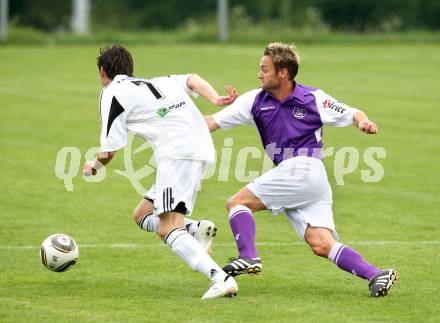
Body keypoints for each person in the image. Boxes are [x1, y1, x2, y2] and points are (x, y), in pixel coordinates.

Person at [204, 42, 398, 297]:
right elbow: (212, 122)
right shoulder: (254, 100)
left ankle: (249, 257)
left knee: (237, 203)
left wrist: (363, 122)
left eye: (264, 69)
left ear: (283, 72)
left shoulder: (313, 98)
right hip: (307, 180)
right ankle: (376, 274)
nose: (259, 74)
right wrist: (177, 123)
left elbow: (351, 112)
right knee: (321, 243)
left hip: (304, 169)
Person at [83, 45, 239, 299]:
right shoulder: (157, 82)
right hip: (198, 147)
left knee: (167, 228)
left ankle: (219, 278)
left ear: (103, 71)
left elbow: (110, 149)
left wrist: (94, 166)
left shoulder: (111, 92)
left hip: (177, 154)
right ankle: (196, 229)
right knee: (143, 214)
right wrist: (214, 98)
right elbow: (192, 79)